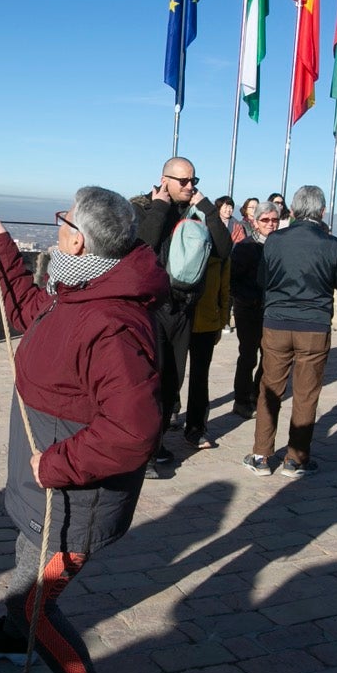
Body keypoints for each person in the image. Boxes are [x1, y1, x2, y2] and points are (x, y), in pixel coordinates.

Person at [0, 188, 165, 673]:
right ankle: (12, 638)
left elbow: (132, 431)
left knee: (35, 604)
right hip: (47, 493)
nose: (58, 230)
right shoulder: (76, 288)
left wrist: (55, 465)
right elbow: (27, 312)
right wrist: (2, 249)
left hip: (78, 498)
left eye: (63, 222)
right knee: (26, 558)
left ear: (77, 239)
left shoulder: (111, 322)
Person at [243, 185, 337, 478]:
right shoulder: (334, 244)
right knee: (306, 393)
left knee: (270, 388)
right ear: (322, 211)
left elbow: (263, 279)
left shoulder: (275, 240)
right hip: (314, 326)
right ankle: (296, 459)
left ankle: (261, 454)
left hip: (277, 322)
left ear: (291, 211)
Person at [133, 157, 232, 470]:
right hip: (150, 309)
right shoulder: (140, 207)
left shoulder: (197, 212)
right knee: (150, 380)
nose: (191, 187)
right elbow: (141, 248)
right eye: (184, 182)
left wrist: (209, 210)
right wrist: (160, 207)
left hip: (184, 309)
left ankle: (156, 443)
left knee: (173, 379)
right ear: (165, 180)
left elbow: (224, 249)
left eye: (194, 181)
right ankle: (142, 452)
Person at [228, 203, 280, 419]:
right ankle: (241, 400)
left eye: (274, 220)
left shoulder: (281, 246)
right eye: (265, 220)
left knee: (268, 357)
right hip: (249, 310)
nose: (270, 224)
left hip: (271, 311)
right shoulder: (244, 247)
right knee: (248, 356)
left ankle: (256, 395)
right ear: (256, 222)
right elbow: (233, 279)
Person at [183, 226, 231, 450]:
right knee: (171, 376)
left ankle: (196, 428)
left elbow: (224, 290)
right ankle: (171, 414)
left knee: (200, 378)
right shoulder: (179, 248)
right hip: (180, 321)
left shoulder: (219, 256)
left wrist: (221, 322)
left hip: (206, 323)